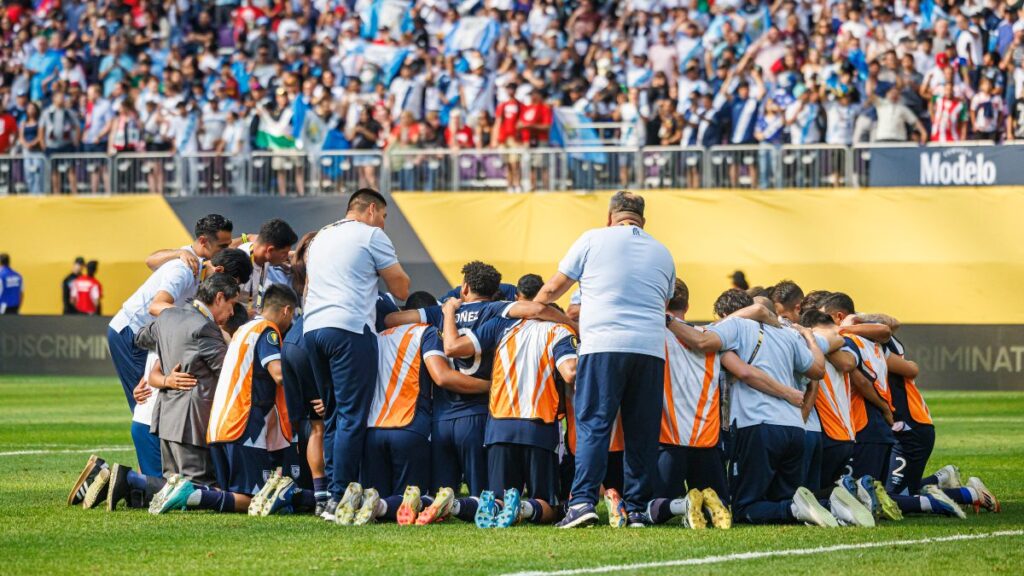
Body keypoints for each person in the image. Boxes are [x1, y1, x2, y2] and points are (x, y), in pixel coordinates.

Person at [668, 289, 874, 527]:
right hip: (795, 427)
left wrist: (667, 320)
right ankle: (832, 504)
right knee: (783, 500)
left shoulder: (736, 327)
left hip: (758, 424)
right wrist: (808, 338)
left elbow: (708, 345)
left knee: (744, 507)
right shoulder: (789, 334)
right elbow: (818, 370)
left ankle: (811, 506)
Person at [534, 191, 675, 528]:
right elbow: (664, 303)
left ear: (610, 217)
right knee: (641, 433)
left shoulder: (592, 239)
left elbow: (552, 290)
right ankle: (637, 509)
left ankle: (582, 502)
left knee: (594, 426)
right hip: (650, 350)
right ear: (643, 220)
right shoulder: (663, 252)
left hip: (603, 346)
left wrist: (540, 309)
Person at [152, 284, 309, 516]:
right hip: (244, 423)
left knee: (231, 494)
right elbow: (278, 374)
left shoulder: (243, 330)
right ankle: (193, 494)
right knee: (259, 499)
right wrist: (312, 389)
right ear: (287, 310)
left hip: (220, 424)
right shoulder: (267, 330)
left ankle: (189, 491)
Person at [303, 189, 410, 521]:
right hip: (349, 328)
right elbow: (401, 289)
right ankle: (340, 497)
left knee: (333, 415)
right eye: (384, 217)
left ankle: (327, 497)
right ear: (371, 209)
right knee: (351, 416)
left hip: (312, 328)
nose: (384, 224)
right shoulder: (371, 235)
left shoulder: (320, 236)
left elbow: (307, 288)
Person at [345, 291, 492, 526]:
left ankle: (368, 501)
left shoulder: (378, 336)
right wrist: (490, 385)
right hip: (408, 425)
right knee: (412, 501)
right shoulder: (427, 333)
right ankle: (379, 504)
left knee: (381, 510)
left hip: (372, 430)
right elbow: (442, 376)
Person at [441, 299, 578, 528]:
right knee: (548, 504)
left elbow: (454, 347)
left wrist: (448, 312)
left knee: (499, 497)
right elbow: (570, 371)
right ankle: (522, 508)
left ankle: (459, 505)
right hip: (538, 424)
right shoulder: (560, 330)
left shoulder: (502, 325)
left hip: (499, 425)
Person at [108, 215, 239, 412]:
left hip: (154, 332)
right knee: (146, 404)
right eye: (223, 246)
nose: (227, 250)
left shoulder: (201, 262)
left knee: (160, 398)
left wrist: (246, 239)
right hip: (132, 332)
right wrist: (196, 318)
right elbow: (156, 306)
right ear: (203, 241)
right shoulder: (184, 267)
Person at [135, 274, 241, 488]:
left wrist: (168, 370)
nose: (232, 313)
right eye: (232, 304)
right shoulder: (205, 327)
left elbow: (140, 337)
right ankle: (127, 481)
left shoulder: (168, 317)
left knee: (173, 487)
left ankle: (127, 481)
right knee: (200, 489)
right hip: (191, 421)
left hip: (166, 418)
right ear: (219, 298)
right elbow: (227, 372)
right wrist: (230, 341)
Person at [237, 218, 299, 313]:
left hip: (253, 313)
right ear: (270, 250)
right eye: (284, 253)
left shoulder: (261, 251)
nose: (287, 256)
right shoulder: (239, 266)